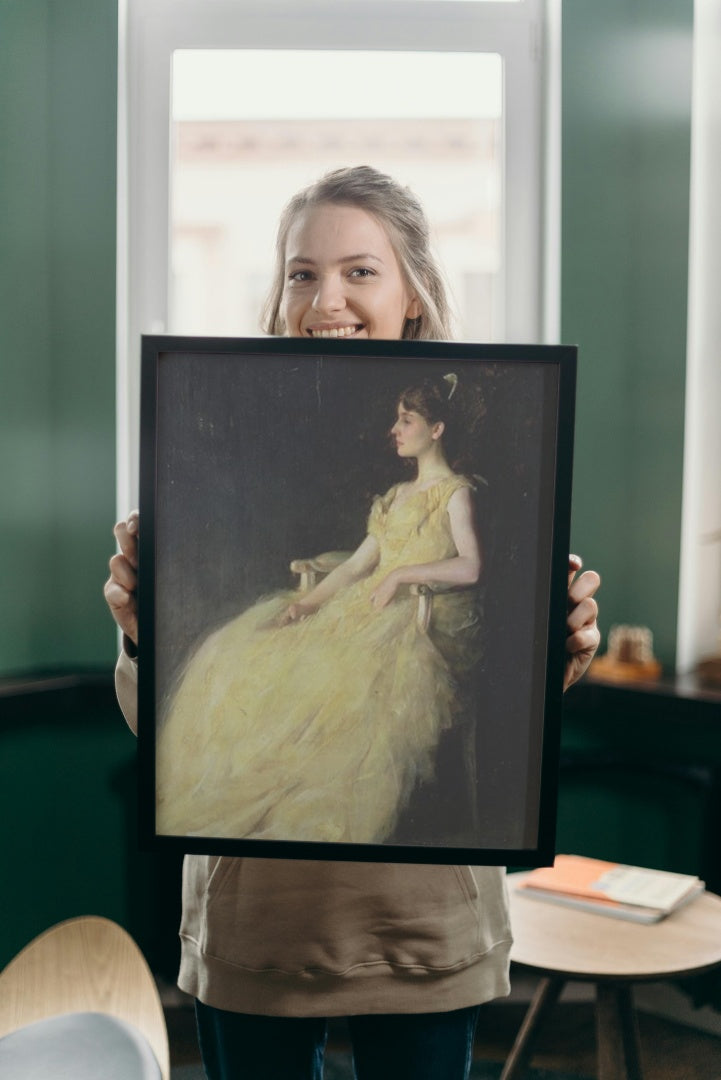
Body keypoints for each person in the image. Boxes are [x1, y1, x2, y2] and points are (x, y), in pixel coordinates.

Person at [105, 166, 601, 1080]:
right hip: (257, 924)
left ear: (412, 292)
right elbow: (161, 736)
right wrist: (145, 634)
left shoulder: (481, 470)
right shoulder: (200, 419)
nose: (324, 298)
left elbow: (493, 666)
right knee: (246, 667)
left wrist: (557, 651)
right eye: (301, 272)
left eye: (359, 271)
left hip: (418, 924)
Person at [155, 373, 486, 847]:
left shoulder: (455, 492)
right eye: (396, 418)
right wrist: (306, 605)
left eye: (406, 420)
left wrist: (400, 575)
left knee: (339, 681)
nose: (395, 429)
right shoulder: (395, 497)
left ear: (436, 430)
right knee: (247, 653)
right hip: (370, 608)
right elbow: (355, 567)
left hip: (424, 620)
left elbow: (472, 566)